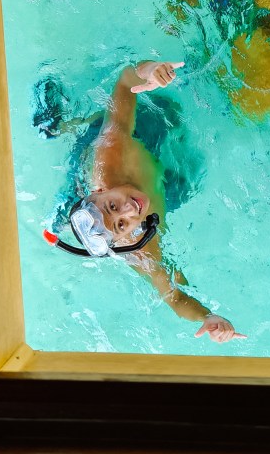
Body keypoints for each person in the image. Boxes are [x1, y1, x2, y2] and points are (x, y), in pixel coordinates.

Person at [43, 60, 244, 343]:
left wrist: (147, 72)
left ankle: (59, 127)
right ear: (125, 236)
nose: (129, 209)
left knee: (158, 111)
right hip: (156, 189)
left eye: (112, 206)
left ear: (99, 191)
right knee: (190, 180)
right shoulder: (140, 249)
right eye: (121, 224)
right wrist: (207, 317)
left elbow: (125, 82)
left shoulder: (110, 155)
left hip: (100, 153)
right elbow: (173, 296)